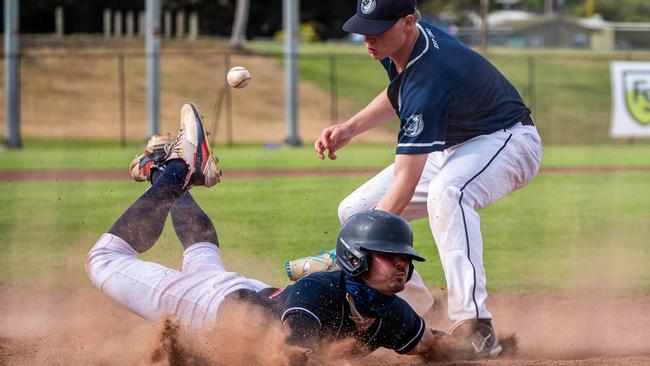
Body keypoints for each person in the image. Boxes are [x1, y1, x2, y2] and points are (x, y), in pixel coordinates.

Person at [85, 102, 468, 364]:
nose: (402, 265)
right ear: (357, 258)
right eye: (389, 256)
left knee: (202, 257)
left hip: (246, 294)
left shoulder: (395, 315)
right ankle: (172, 173)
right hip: (204, 306)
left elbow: (431, 344)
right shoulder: (313, 294)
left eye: (405, 258)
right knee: (102, 261)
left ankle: (168, 169)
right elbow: (293, 355)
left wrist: (474, 342)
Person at [311, 0, 543, 359]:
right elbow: (400, 93)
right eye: (364, 29)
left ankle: (476, 325)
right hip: (457, 146)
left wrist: (356, 249)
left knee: (448, 193)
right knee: (356, 210)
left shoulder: (431, 72)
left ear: (407, 22)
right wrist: (350, 127)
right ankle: (420, 306)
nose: (367, 38)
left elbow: (404, 183)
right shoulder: (402, 45)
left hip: (507, 140)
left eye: (378, 28)